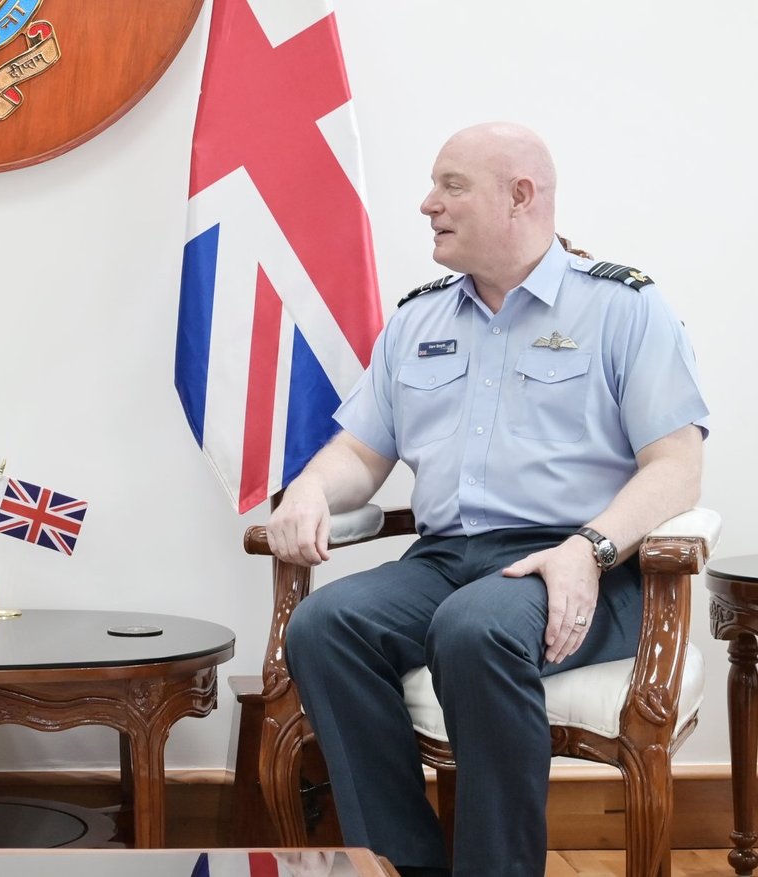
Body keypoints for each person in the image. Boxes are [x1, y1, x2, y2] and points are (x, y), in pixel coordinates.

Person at [266, 123, 706, 876]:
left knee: (475, 628)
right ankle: (400, 865)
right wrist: (309, 487)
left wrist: (589, 549)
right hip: (445, 559)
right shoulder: (419, 319)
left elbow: (677, 467)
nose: (427, 204)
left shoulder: (623, 307)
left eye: (452, 186)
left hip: (583, 564)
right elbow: (361, 454)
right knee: (325, 625)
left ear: (519, 196)